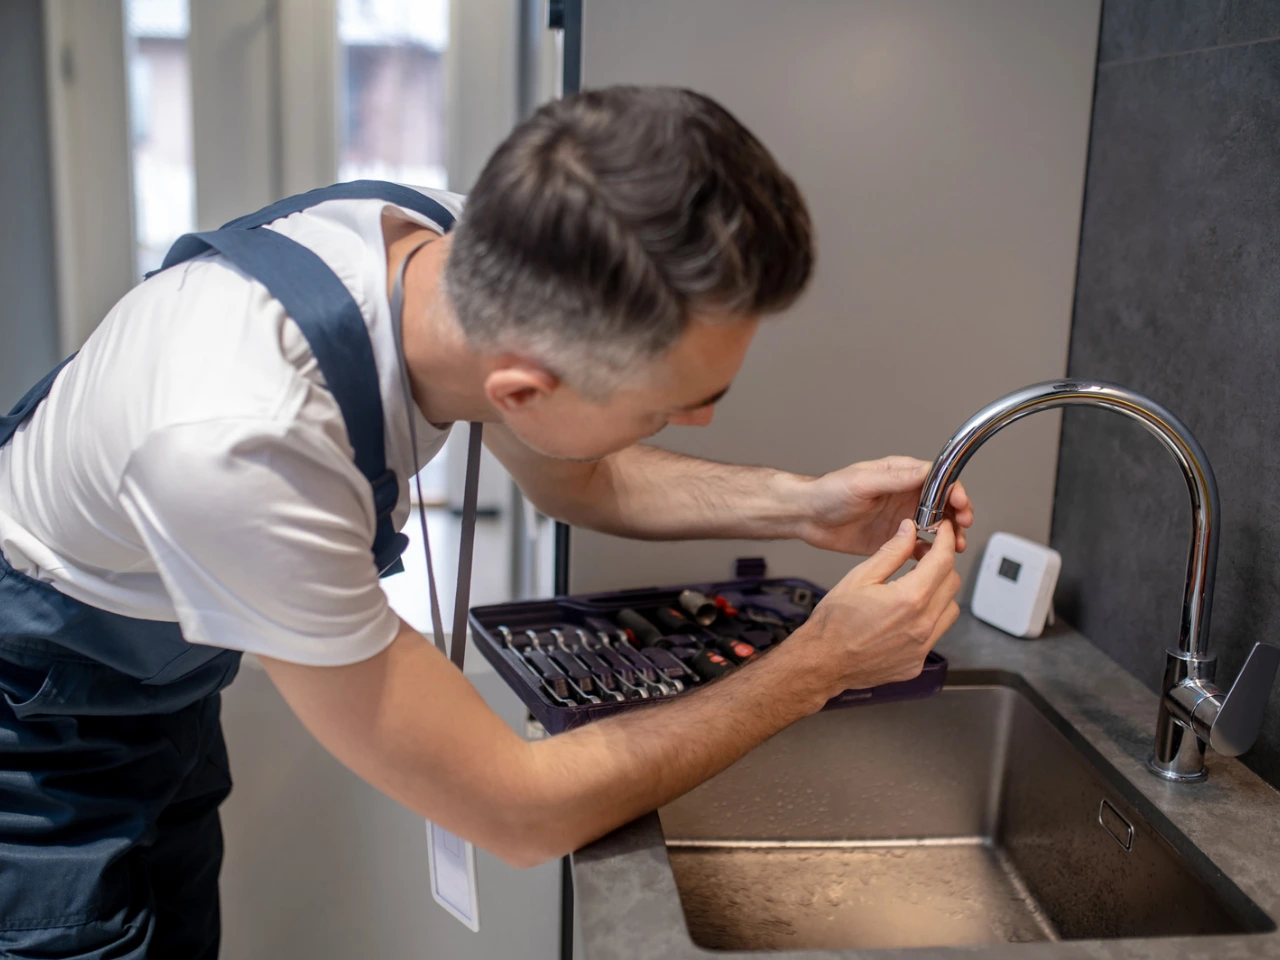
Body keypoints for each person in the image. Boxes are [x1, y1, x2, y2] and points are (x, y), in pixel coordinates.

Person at [0, 86, 970, 958]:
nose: (698, 419)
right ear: (519, 387)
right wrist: (817, 667)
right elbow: (513, 811)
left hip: (159, 675)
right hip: (34, 715)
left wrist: (798, 505)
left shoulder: (461, 246)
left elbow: (569, 477)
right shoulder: (241, 450)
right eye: (666, 407)